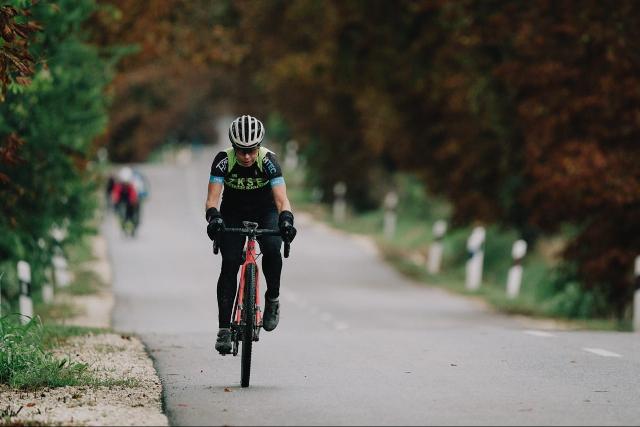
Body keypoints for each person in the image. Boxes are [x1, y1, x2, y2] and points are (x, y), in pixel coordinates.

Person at [205, 115, 297, 355]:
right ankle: (224, 329)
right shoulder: (223, 160)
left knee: (272, 249)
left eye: (251, 150)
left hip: (265, 209)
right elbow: (212, 200)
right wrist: (214, 218)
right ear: (234, 148)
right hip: (233, 210)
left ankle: (273, 298)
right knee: (230, 262)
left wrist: (286, 219)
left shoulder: (269, 161)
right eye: (241, 150)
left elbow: (281, 200)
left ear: (259, 146)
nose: (246, 156)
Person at [112, 166, 140, 235]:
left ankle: (133, 227)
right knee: (121, 214)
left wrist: (133, 201)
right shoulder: (119, 186)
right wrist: (116, 201)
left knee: (133, 215)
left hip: (130, 203)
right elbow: (116, 194)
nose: (125, 184)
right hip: (122, 202)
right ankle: (123, 226)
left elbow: (134, 195)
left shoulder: (131, 186)